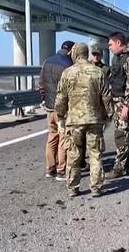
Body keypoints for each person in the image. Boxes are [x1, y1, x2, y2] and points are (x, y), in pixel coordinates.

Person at [55, 43, 113, 198]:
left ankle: (73, 187)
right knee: (95, 154)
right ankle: (96, 187)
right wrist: (108, 115)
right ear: (86, 54)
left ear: (75, 54)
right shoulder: (98, 72)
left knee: (74, 155)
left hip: (74, 121)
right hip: (94, 120)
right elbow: (107, 97)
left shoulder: (67, 73)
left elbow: (61, 98)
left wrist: (60, 117)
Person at [39, 40, 74, 181]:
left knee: (52, 136)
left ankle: (50, 169)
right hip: (61, 109)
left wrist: (44, 99)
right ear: (70, 51)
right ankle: (61, 170)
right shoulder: (68, 65)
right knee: (63, 137)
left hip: (49, 107)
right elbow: (68, 90)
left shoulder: (47, 61)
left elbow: (41, 83)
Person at [106, 32, 129, 179]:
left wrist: (126, 106)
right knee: (126, 134)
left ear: (118, 43)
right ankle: (128, 164)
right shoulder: (120, 59)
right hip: (118, 101)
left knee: (121, 134)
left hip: (123, 103)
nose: (110, 48)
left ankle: (119, 167)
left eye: (111, 45)